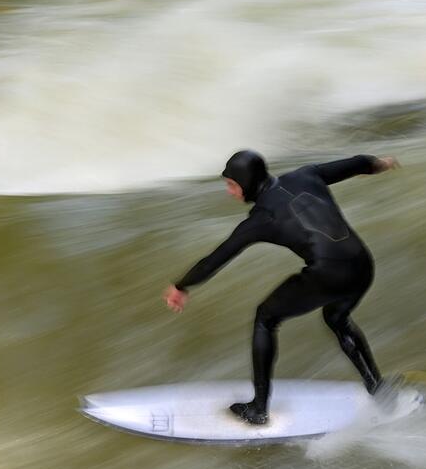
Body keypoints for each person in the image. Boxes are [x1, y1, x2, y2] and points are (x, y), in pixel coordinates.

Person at [163, 150, 400, 424]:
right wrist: (379, 164)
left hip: (329, 273)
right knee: (336, 317)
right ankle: (378, 389)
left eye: (231, 185)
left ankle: (258, 409)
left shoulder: (261, 219)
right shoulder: (305, 175)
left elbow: (215, 259)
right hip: (362, 264)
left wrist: (181, 286)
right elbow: (357, 163)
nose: (229, 192)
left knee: (265, 317)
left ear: (247, 183)